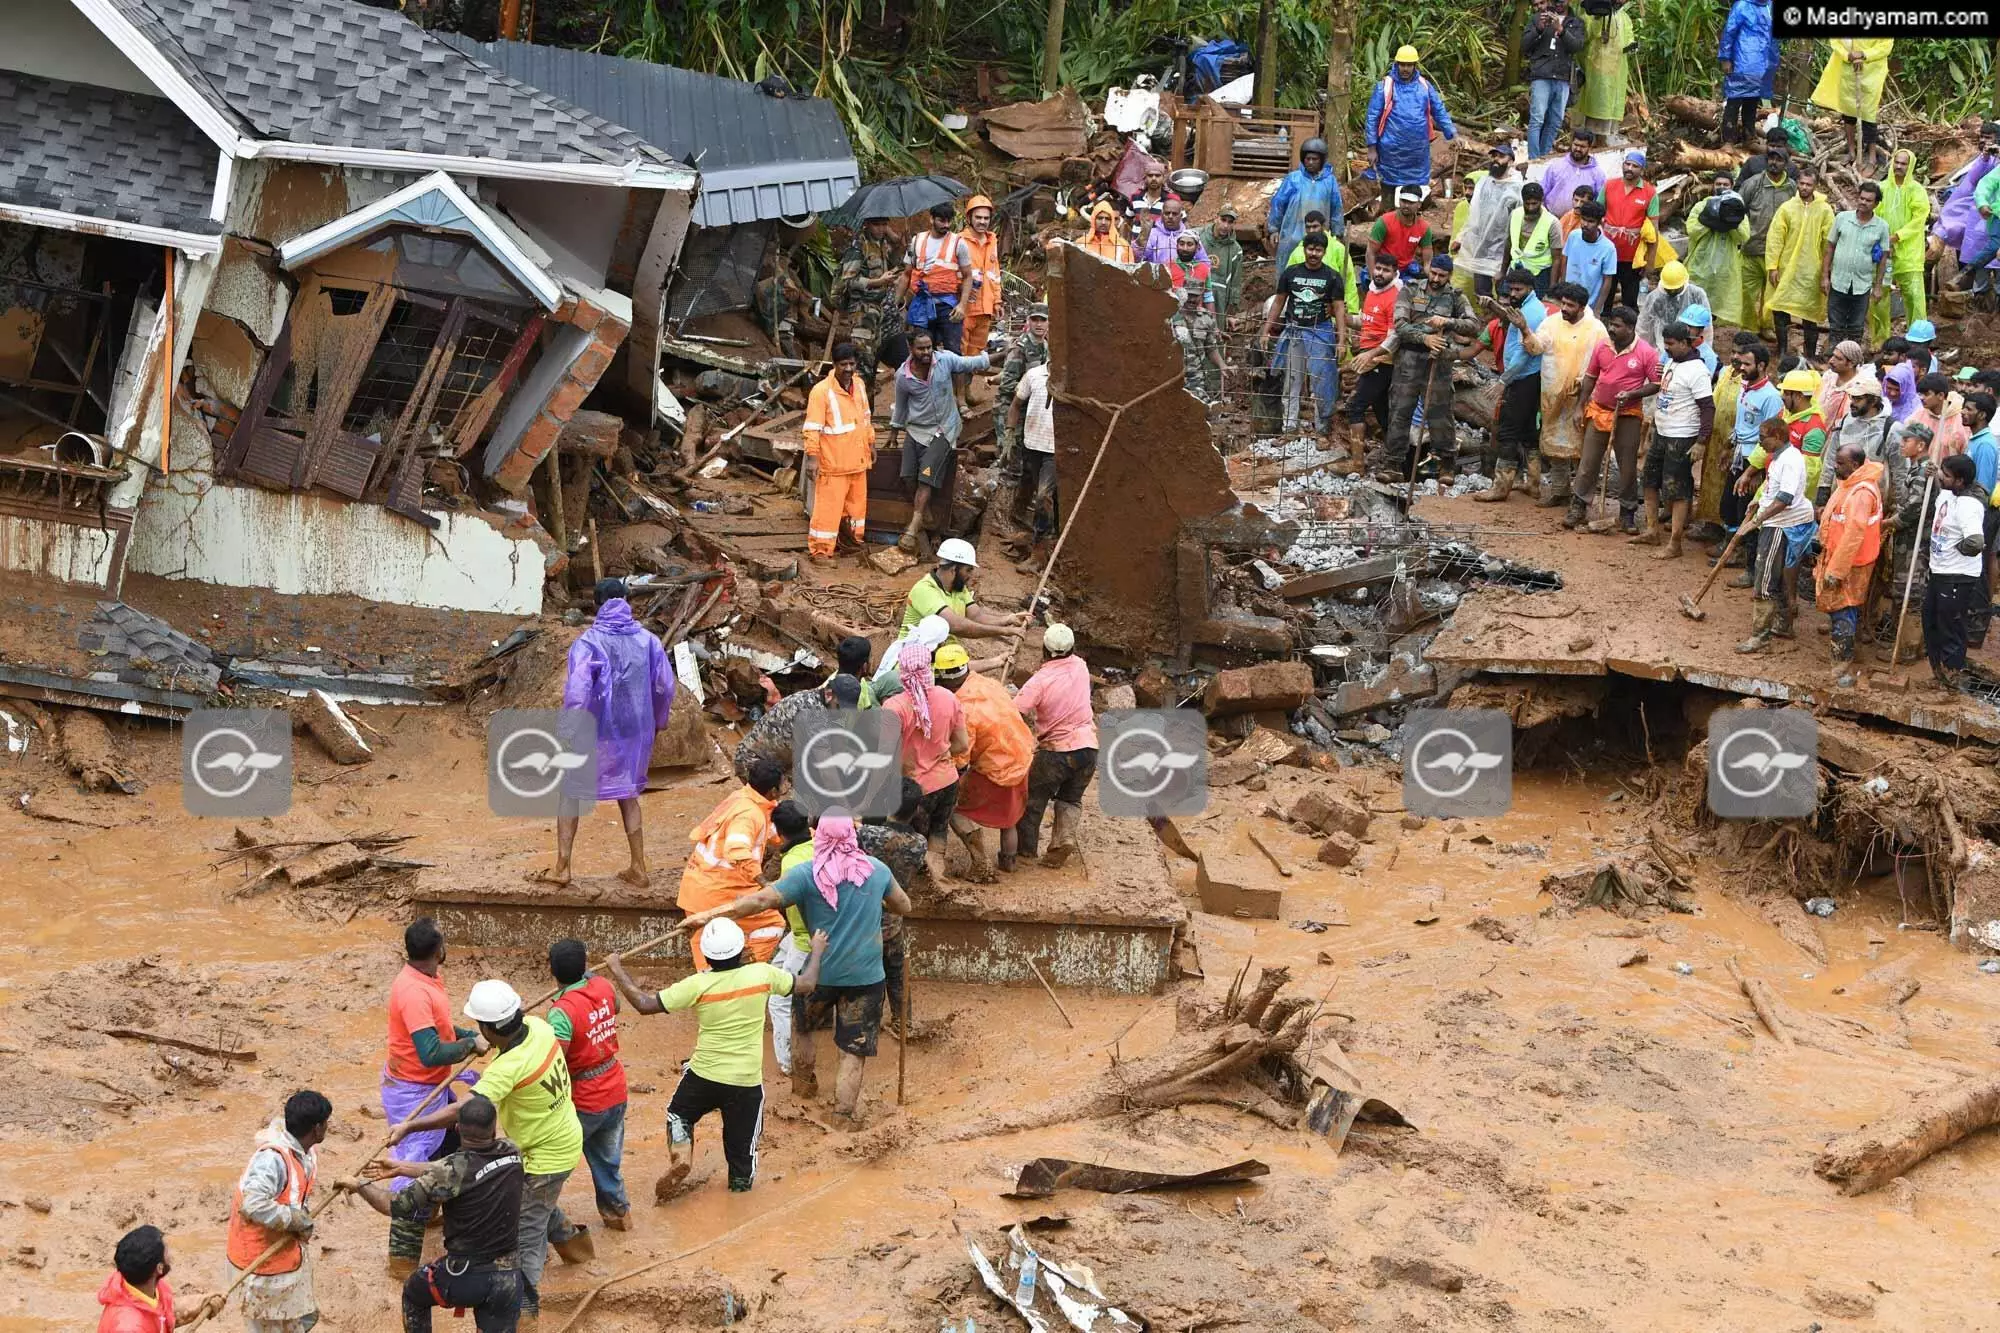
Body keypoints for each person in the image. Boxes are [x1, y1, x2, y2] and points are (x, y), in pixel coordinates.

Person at [681, 811, 911, 1121]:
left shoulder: (806, 874)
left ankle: (803, 1092)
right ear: (852, 836)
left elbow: (761, 901)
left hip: (816, 972)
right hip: (866, 976)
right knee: (853, 1051)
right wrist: (877, 901)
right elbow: (904, 905)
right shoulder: (877, 870)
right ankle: (842, 1118)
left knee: (802, 1028)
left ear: (820, 837)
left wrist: (708, 915)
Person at [390, 981, 587, 1322]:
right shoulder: (539, 1027)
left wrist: (410, 1126)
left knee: (524, 1237)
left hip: (545, 1156)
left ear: (489, 1028)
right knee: (532, 1204)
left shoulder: (506, 1068)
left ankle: (525, 1312)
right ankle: (579, 1250)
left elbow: (460, 1110)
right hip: (561, 1135)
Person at [606, 917, 824, 1191]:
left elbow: (644, 1004)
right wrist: (816, 949)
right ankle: (739, 1191)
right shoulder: (762, 975)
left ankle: (682, 1154)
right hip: (745, 1083)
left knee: (678, 1116)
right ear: (741, 948)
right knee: (743, 1153)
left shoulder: (697, 985)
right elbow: (807, 983)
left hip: (704, 1075)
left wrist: (617, 968)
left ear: (706, 956)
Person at [338, 1094, 524, 1333]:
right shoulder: (511, 1151)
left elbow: (394, 1206)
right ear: (494, 1127)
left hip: (465, 1275)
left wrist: (360, 1185)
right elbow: (456, 1170)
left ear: (456, 1127)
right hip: (508, 1277)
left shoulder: (449, 1171)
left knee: (414, 1293)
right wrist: (402, 1168)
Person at [551, 578, 674, 889]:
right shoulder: (649, 641)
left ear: (596, 605)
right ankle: (639, 866)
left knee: (570, 792)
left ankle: (562, 867)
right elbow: (664, 686)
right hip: (635, 729)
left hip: (595, 728)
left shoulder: (587, 643)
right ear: (627, 601)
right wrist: (657, 722)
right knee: (628, 794)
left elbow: (578, 692)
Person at [381, 918, 483, 1278]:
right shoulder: (413, 992)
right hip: (415, 1090)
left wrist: (467, 1032)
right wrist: (469, 1045)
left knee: (454, 1146)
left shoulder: (426, 978)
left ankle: (432, 1215)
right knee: (411, 1177)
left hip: (430, 1084)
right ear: (437, 952)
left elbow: (438, 1028)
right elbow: (429, 1051)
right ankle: (402, 1258)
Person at [227, 1089, 331, 1333]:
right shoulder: (272, 1160)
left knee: (292, 1323)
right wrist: (293, 1219)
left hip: (281, 1255)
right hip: (258, 1266)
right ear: (317, 1129)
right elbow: (252, 1204)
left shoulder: (303, 1153)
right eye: (326, 1124)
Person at [546, 938, 629, 1233]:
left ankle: (541, 1213)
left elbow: (556, 1062)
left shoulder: (561, 1012)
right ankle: (619, 1217)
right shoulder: (603, 986)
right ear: (585, 966)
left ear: (552, 973)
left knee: (553, 1161)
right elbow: (615, 1008)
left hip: (585, 1097)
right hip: (615, 1087)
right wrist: (592, 977)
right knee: (608, 1161)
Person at [932, 643, 1033, 877]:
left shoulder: (963, 710)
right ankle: (1008, 862)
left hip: (996, 769)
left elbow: (960, 759)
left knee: (953, 809)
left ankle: (980, 862)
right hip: (1021, 756)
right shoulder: (990, 684)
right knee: (1009, 820)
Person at [886, 329, 991, 554]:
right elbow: (901, 406)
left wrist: (991, 356)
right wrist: (894, 433)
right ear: (910, 349)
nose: (926, 353)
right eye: (921, 348)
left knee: (926, 476)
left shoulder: (944, 360)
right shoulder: (903, 377)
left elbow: (971, 363)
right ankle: (926, 514)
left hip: (945, 428)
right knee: (906, 476)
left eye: (929, 347)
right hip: (916, 429)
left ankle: (913, 527)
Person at [678, 757, 790, 968]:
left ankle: (714, 986)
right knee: (773, 924)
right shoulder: (749, 814)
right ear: (773, 791)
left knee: (707, 946)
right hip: (720, 891)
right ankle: (748, 974)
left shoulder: (743, 799)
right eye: (784, 784)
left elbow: (776, 832)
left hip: (700, 889)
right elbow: (737, 850)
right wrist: (765, 883)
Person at [1378, 253, 1477, 484]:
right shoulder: (1410, 290)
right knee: (1400, 412)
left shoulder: (1456, 297)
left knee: (1440, 415)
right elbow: (1400, 325)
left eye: (1441, 276)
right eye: (1433, 273)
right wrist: (1425, 339)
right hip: (1408, 361)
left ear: (1449, 276)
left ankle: (1447, 466)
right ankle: (1393, 464)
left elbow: (1474, 325)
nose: (1435, 278)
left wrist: (1448, 322)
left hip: (1438, 362)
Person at [884, 630, 968, 884]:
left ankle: (915, 881)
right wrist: (939, 755)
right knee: (938, 829)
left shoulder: (894, 707)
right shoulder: (948, 698)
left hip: (914, 787)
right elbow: (962, 744)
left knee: (911, 832)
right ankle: (938, 876)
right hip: (947, 780)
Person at [1013, 623, 1097, 866]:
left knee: (1033, 799)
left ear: (1045, 650)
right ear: (1072, 648)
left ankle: (1025, 850)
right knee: (1071, 799)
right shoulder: (1081, 666)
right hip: (1089, 747)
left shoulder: (1040, 681)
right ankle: (1063, 840)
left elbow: (1015, 711)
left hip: (1056, 751)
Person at [1569, 304, 1658, 534]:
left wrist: (1632, 394)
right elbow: (1590, 377)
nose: (1611, 329)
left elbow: (1656, 384)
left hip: (1627, 415)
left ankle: (1627, 513)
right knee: (1588, 462)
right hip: (1598, 410)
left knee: (1627, 466)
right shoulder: (1602, 346)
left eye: (1616, 326)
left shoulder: (1646, 352)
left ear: (1630, 328)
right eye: (1611, 324)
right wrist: (1580, 407)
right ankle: (1578, 505)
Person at [1735, 414, 1820, 653]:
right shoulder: (1779, 457)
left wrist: (1760, 519)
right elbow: (1775, 491)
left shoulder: (1790, 460)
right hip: (1776, 520)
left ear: (1778, 436)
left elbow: (1785, 498)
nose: (1760, 442)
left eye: (1763, 438)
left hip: (1780, 524)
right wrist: (1758, 502)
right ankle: (1783, 624)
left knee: (1764, 579)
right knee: (1779, 578)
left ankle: (1760, 636)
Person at [1634, 321, 1715, 557]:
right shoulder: (1672, 362)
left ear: (1684, 343)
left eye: (1670, 344)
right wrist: (1633, 394)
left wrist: (1701, 441)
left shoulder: (1697, 371)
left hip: (1681, 436)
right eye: (1665, 343)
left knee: (1677, 489)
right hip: (1663, 431)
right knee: (1649, 479)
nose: (1666, 348)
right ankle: (1651, 530)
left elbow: (1708, 408)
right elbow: (1661, 388)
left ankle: (1675, 543)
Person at [1262, 232, 1346, 438]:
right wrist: (1266, 329)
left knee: (1322, 381)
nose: (1314, 254)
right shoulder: (1291, 273)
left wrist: (1342, 340)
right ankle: (1289, 429)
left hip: (1321, 333)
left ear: (1324, 252)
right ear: (1304, 249)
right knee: (1292, 381)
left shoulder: (1333, 277)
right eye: (1310, 249)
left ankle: (1322, 431)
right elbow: (1279, 302)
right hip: (1294, 331)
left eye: (1318, 250)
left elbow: (1339, 309)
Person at [1475, 268, 1548, 505]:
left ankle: (1501, 486)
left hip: (1522, 378)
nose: (1513, 294)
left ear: (1530, 289)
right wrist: (1493, 306)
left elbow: (1524, 354)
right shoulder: (1527, 307)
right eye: (1511, 289)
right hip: (1529, 378)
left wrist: (1503, 380)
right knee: (1528, 431)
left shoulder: (1531, 314)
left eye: (1519, 290)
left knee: (1508, 431)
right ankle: (1533, 482)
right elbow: (1508, 313)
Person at [802, 343, 876, 562]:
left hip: (857, 461)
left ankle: (852, 542)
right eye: (843, 364)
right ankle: (821, 551)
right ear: (834, 365)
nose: (848, 368)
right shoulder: (821, 392)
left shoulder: (860, 385)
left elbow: (865, 417)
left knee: (856, 508)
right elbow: (812, 428)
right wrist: (812, 459)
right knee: (828, 510)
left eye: (852, 364)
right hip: (833, 464)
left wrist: (871, 443)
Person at [1364, 46, 1456, 214]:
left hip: (1417, 151)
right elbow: (1372, 117)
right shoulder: (1385, 86)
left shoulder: (1424, 86)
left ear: (1415, 65)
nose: (1405, 69)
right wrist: (1372, 147)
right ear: (1397, 64)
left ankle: (1414, 217)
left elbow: (1439, 109)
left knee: (1416, 187)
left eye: (1409, 65)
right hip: (1391, 150)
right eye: (1402, 64)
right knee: (1388, 187)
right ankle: (1386, 217)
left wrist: (1451, 132)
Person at [1926, 452, 1986, 690]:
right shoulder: (1947, 494)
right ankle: (1939, 675)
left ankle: (1951, 684)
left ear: (1960, 481)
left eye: (1946, 474)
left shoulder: (1969, 505)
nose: (1942, 475)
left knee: (1950, 628)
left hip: (1956, 576)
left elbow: (1975, 542)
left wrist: (1954, 549)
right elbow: (1938, 494)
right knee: (1931, 622)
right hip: (1939, 571)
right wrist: (1933, 475)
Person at [1719, 341, 1785, 552]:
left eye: (1747, 364)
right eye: (1741, 363)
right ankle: (1730, 546)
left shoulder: (1771, 397)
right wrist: (1728, 448)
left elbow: (1772, 438)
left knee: (1744, 508)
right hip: (1739, 455)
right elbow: (1740, 425)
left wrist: (1758, 470)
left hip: (1754, 459)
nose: (1742, 368)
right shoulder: (1744, 387)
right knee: (1729, 504)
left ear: (1762, 366)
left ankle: (1741, 552)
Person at [1766, 165, 1834, 360]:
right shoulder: (1787, 208)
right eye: (1802, 183)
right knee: (1779, 308)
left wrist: (1825, 272)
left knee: (1810, 313)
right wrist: (1772, 266)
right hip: (1786, 269)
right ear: (1797, 183)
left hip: (1811, 271)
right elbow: (1775, 238)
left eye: (1809, 184)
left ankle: (1810, 354)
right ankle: (1781, 350)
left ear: (1816, 186)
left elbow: (1828, 242)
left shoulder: (1824, 210)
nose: (1804, 188)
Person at [98, 1226, 224, 1331]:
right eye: (166, 1251)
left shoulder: (141, 1284)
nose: (170, 1254)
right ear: (159, 1268)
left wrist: (203, 1303)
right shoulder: (128, 1327)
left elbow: (165, 1311)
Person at [899, 540, 1023, 647]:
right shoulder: (925, 590)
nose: (970, 575)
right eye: (968, 570)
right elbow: (957, 626)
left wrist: (1008, 619)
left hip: (940, 657)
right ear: (953, 569)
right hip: (912, 663)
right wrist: (1004, 631)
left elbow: (976, 616)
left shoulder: (958, 587)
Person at [1345, 253, 1405, 448]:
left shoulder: (1396, 296)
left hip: (1383, 362)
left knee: (1355, 407)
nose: (1380, 273)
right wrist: (1345, 318)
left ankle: (1357, 464)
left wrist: (1371, 355)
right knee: (1382, 410)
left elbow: (1395, 336)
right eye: (1378, 268)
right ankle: (1395, 456)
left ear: (1395, 273)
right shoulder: (1373, 291)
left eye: (1386, 270)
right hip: (1369, 357)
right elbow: (1365, 321)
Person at [1873, 149, 1932, 344]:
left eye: (1903, 163)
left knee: (1914, 297)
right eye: (1896, 162)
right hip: (1885, 255)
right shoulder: (1881, 189)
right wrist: (1881, 239)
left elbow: (1919, 219)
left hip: (1909, 254)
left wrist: (1898, 236)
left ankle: (1919, 340)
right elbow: (1875, 215)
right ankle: (1880, 340)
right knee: (1880, 295)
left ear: (1910, 166)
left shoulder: (1917, 191)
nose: (1899, 166)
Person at [839, 216, 902, 393]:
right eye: (877, 225)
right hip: (861, 312)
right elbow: (849, 281)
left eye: (884, 225)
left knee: (871, 363)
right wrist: (878, 281)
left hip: (877, 310)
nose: (881, 229)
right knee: (862, 365)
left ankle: (868, 412)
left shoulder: (881, 245)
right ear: (867, 225)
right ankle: (859, 412)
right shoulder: (858, 248)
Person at [1824, 181, 1890, 347]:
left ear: (1876, 204)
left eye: (1868, 200)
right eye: (1861, 198)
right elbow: (1830, 247)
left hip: (1862, 284)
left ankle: (1853, 359)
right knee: (1835, 323)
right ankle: (1834, 355)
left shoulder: (1881, 227)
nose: (1863, 202)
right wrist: (1824, 276)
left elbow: (1883, 258)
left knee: (1856, 325)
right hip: (1838, 281)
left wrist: (1878, 286)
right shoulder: (1842, 219)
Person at [1739, 145, 1796, 337]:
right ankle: (1748, 328)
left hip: (1777, 253)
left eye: (1779, 159)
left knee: (1772, 293)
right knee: (1747, 293)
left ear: (1786, 164)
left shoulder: (1792, 188)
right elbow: (1739, 209)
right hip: (1751, 247)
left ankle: (1767, 327)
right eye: (1771, 158)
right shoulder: (1753, 184)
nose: (1774, 162)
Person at [900, 202, 971, 353]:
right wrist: (896, 303)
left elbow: (968, 276)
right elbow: (907, 274)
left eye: (949, 221)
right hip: (921, 305)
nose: (946, 225)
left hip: (947, 306)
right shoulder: (916, 241)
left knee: (952, 352)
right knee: (921, 351)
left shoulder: (958, 243)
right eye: (942, 220)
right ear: (931, 219)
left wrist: (962, 306)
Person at [1454, 144, 1524, 298]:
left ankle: (1501, 321)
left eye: (1501, 156)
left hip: (1505, 248)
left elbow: (1521, 220)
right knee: (1482, 293)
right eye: (1494, 156)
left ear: (1511, 161)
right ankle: (1487, 321)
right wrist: (1461, 237)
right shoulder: (1483, 183)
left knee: (1505, 293)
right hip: (1482, 246)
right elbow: (1473, 215)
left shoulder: (1517, 188)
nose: (1496, 160)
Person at [1811, 38, 1894, 168]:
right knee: (1848, 112)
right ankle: (1851, 151)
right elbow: (1836, 42)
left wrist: (1863, 55)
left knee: (1868, 114)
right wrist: (1848, 55)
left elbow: (1886, 46)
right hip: (1848, 71)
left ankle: (1872, 158)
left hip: (1872, 72)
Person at [1011, 357, 1060, 570]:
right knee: (1031, 487)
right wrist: (1008, 434)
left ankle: (1039, 553)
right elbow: (1015, 405)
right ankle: (1043, 532)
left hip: (1055, 450)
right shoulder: (1034, 375)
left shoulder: (1070, 379)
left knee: (1043, 497)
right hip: (1032, 445)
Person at [1521, 0, 1587, 158]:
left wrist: (1561, 30)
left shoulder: (1576, 22)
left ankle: (1542, 158)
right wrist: (1539, 28)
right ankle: (1533, 159)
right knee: (1537, 118)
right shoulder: (1538, 18)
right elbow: (1524, 46)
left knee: (1555, 121)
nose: (1558, 3)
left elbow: (1577, 46)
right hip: (1542, 74)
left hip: (1563, 77)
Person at [1687, 171, 1751, 328]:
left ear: (1732, 186)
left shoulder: (1737, 208)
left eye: (1725, 185)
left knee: (1715, 308)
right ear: (1712, 186)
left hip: (1724, 268)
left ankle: (1707, 338)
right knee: (1695, 304)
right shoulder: (1702, 205)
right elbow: (1692, 229)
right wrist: (1710, 220)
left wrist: (1730, 223)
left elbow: (1743, 236)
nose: (1721, 188)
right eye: (1718, 184)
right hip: (1700, 264)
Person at [1268, 138, 1342, 264]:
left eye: (1315, 159)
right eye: (1308, 159)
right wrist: (1274, 229)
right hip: (1292, 237)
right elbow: (1278, 204)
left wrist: (1337, 233)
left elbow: (1336, 209)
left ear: (1322, 160)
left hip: (1319, 238)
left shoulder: (1330, 181)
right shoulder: (1293, 179)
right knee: (1288, 268)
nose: (1311, 162)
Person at [1716, 0, 1778, 146]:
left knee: (1753, 99)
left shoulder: (1770, 6)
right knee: (1735, 99)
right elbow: (1729, 32)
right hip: (1742, 60)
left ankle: (1748, 135)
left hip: (1762, 63)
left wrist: (1772, 62)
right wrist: (1726, 58)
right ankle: (1728, 140)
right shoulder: (1742, 6)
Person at [1600, 151, 1657, 308]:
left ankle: (1628, 330)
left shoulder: (1649, 192)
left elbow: (1654, 229)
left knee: (1630, 299)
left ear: (1642, 170)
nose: (1630, 168)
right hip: (1607, 253)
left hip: (1632, 257)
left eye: (1635, 166)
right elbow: (1597, 213)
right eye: (1627, 164)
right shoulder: (1609, 186)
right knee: (1605, 296)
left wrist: (1650, 261)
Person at [1171, 247, 1226, 405]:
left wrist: (1222, 365)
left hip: (1196, 377)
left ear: (1201, 295)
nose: (1191, 300)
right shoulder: (1171, 317)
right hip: (1172, 375)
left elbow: (1211, 347)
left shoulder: (1206, 318)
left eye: (1195, 296)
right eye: (1189, 295)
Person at [995, 303, 1049, 464]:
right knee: (1010, 455)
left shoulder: (1046, 346)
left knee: (1027, 457)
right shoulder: (1020, 348)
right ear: (1028, 321)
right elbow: (1007, 384)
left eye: (1043, 320)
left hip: (1029, 408)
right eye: (1035, 320)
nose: (1039, 324)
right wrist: (1031, 392)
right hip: (1010, 408)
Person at [956, 195, 1002, 374]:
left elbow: (995, 273)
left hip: (986, 306)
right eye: (978, 217)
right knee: (961, 350)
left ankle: (967, 390)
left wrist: (997, 301)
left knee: (977, 351)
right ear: (969, 218)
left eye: (986, 218)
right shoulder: (959, 240)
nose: (982, 222)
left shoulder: (992, 241)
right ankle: (958, 393)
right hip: (966, 305)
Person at [1578, 0, 1634, 139]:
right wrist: (1598, 17)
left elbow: (1628, 38)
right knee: (1596, 107)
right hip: (1597, 69)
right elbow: (1586, 36)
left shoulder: (1624, 17)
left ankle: (1603, 143)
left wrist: (1632, 45)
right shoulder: (1593, 10)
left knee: (1610, 109)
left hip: (1616, 71)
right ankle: (1588, 142)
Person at [1555, 199, 1618, 310]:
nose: (1585, 224)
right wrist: (1563, 288)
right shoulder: (1573, 236)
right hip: (1568, 300)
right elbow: (1565, 261)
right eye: (1583, 219)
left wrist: (1598, 308)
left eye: (1590, 221)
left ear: (1599, 223)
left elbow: (1607, 280)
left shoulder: (1608, 248)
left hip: (1589, 305)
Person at [1635, 260, 1708, 354]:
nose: (1672, 292)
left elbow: (1706, 327)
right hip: (1662, 348)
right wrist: (1643, 352)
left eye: (1675, 289)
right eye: (1669, 289)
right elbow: (1643, 328)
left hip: (1690, 349)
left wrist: (1703, 351)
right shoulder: (1654, 298)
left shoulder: (1696, 295)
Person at [1539, 133, 1605, 231]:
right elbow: (1542, 191)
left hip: (1580, 226)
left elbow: (1600, 202)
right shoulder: (1557, 166)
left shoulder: (1598, 174)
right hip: (1551, 221)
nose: (1578, 149)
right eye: (1575, 145)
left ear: (1589, 147)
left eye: (1582, 146)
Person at [1365, 189, 1436, 276]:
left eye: (1411, 202)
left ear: (1419, 204)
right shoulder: (1384, 221)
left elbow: (1427, 261)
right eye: (1403, 201)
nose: (1406, 205)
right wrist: (1373, 278)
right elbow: (1370, 252)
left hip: (1405, 268)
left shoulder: (1424, 228)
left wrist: (1430, 280)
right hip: (1384, 268)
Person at [1507, 183, 1559, 294]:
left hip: (1540, 274)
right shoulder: (1515, 215)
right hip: (1516, 267)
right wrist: (1502, 271)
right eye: (1527, 203)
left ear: (1541, 201)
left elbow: (1557, 259)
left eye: (1534, 204)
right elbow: (1509, 243)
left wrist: (1552, 288)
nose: (1531, 208)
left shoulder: (1552, 223)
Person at [1197, 206, 1246, 326]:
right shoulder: (1198, 237)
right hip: (1195, 293)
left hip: (1219, 298)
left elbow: (1235, 282)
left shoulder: (1236, 249)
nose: (1225, 225)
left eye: (1230, 222)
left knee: (1215, 333)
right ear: (1216, 218)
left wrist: (1231, 310)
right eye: (1223, 220)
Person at [1138, 196, 1208, 266]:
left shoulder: (1189, 235)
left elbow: (1205, 263)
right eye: (1167, 213)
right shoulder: (1152, 234)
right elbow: (1138, 258)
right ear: (1162, 215)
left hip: (1184, 276)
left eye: (1174, 214)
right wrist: (1143, 236)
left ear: (1181, 216)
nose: (1170, 217)